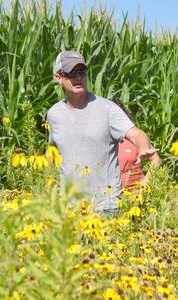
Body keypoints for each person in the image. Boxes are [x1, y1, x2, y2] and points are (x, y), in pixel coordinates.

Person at [47, 51, 161, 215]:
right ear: (58, 77)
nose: (78, 77)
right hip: (68, 209)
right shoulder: (54, 114)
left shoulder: (107, 109)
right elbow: (52, 150)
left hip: (104, 208)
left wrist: (143, 148)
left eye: (82, 72)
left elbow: (136, 134)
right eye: (72, 73)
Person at [110, 96, 146, 189]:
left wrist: (142, 189)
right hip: (109, 196)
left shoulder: (136, 137)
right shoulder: (100, 140)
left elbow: (156, 161)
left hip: (135, 197)